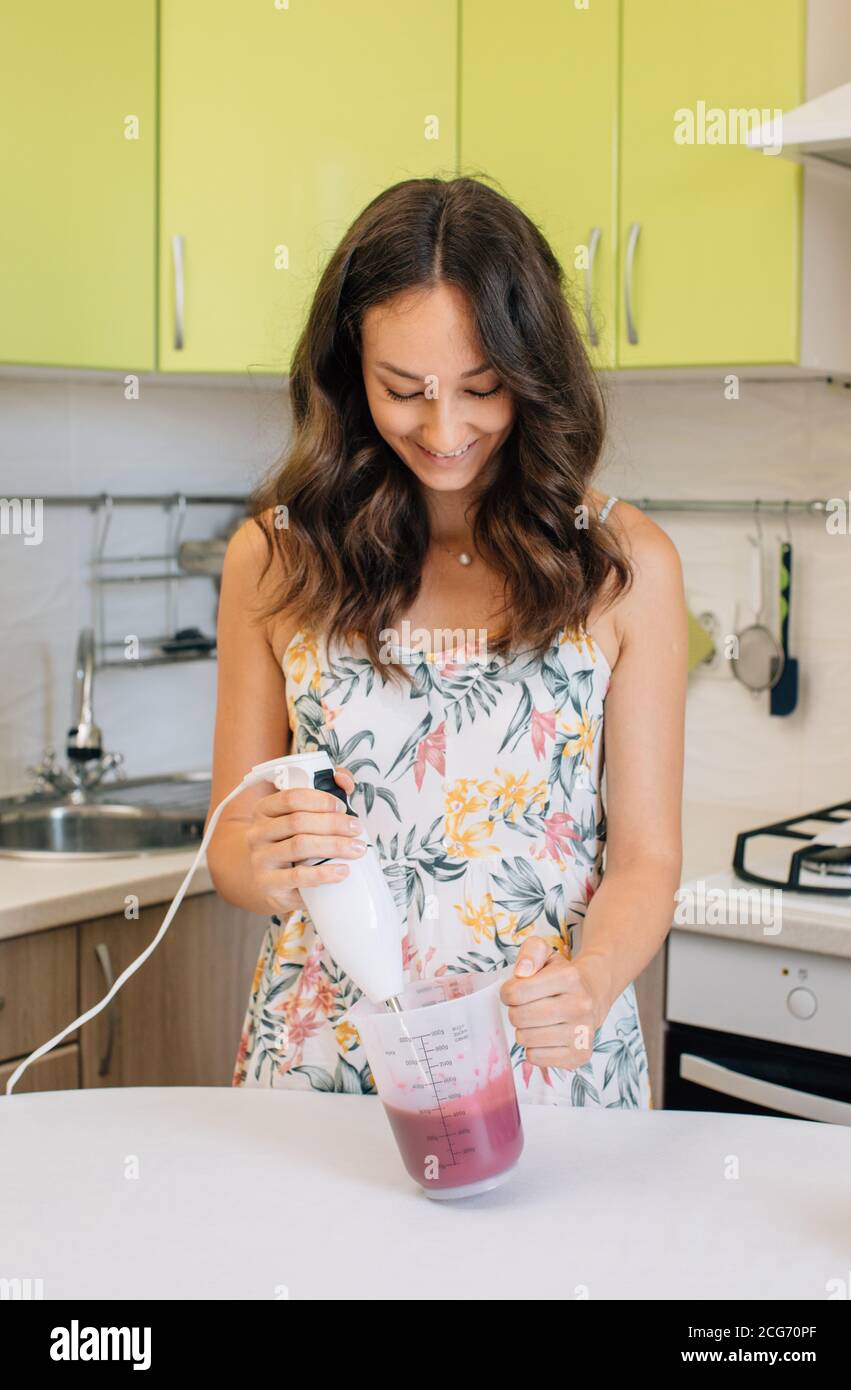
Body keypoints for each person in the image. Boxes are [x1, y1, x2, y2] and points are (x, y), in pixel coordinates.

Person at [206, 176, 687, 1108]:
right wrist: (255, 860)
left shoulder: (625, 566)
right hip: (323, 1069)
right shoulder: (272, 560)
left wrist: (589, 984)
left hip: (543, 1064)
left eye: (481, 388)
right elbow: (230, 849)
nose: (444, 428)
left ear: (534, 372)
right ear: (351, 372)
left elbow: (645, 861)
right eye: (403, 391)